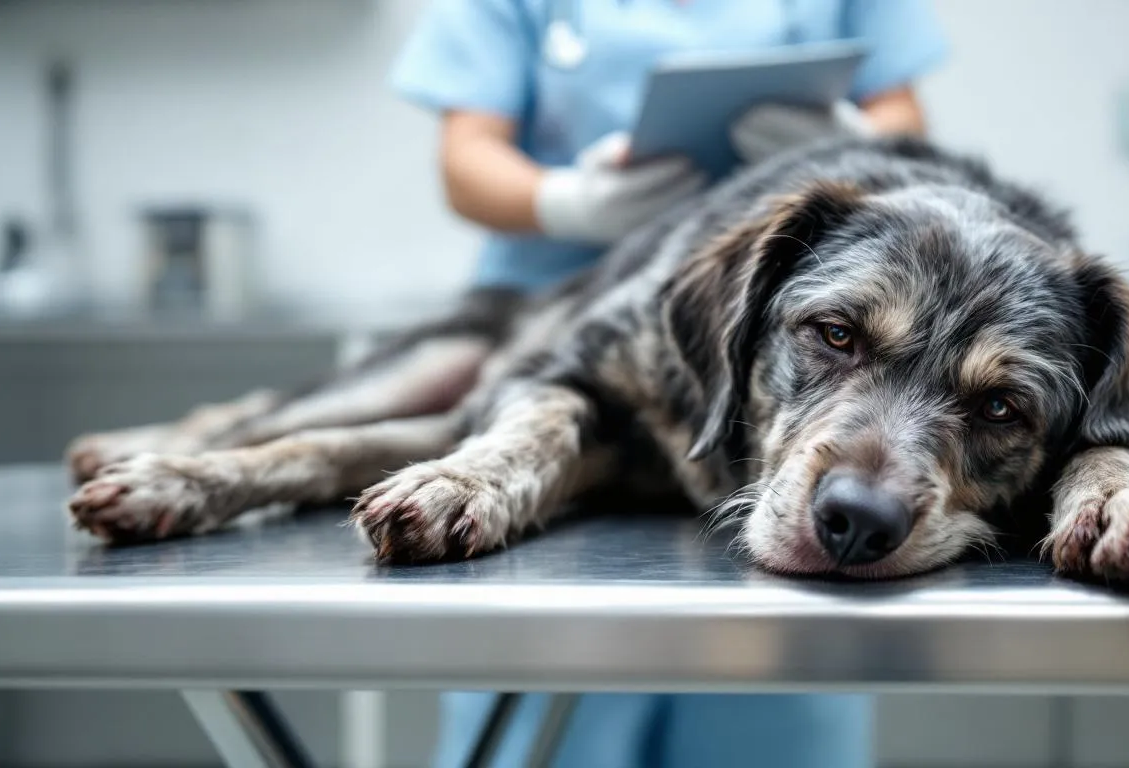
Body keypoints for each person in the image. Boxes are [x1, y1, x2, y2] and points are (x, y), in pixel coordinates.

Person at [390, 1, 948, 765]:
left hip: (763, 405)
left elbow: (904, 122)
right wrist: (563, 202)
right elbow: (466, 160)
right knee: (545, 734)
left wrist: (849, 144)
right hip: (570, 328)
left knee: (770, 729)